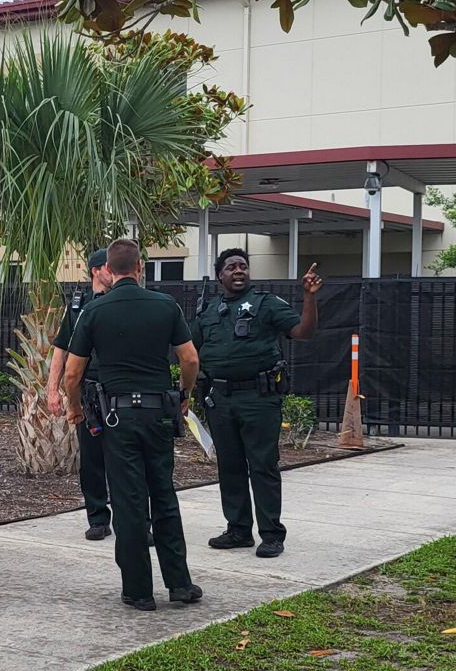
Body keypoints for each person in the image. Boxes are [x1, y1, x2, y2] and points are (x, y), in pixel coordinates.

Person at [63, 239, 203, 612]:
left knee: (127, 501)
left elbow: (73, 372)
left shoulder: (94, 311)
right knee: (164, 495)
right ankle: (180, 585)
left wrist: (76, 410)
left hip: (116, 417)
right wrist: (184, 393)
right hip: (158, 412)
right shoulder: (165, 305)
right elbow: (189, 359)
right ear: (140, 267)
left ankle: (138, 591)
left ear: (108, 270)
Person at [193, 248, 321, 559]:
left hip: (259, 398)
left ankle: (271, 534)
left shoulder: (267, 304)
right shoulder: (207, 310)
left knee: (263, 465)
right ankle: (238, 530)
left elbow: (303, 332)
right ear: (220, 275)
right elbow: (190, 351)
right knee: (230, 466)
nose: (239, 271)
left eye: (243, 266)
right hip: (219, 398)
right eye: (231, 267)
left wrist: (309, 296)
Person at [46, 249, 154, 545]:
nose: (115, 271)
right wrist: (52, 389)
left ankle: (137, 521)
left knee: (131, 461)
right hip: (90, 392)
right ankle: (97, 518)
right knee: (91, 461)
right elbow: (61, 347)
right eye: (109, 267)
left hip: (122, 391)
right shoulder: (80, 306)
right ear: (98, 270)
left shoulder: (129, 302)